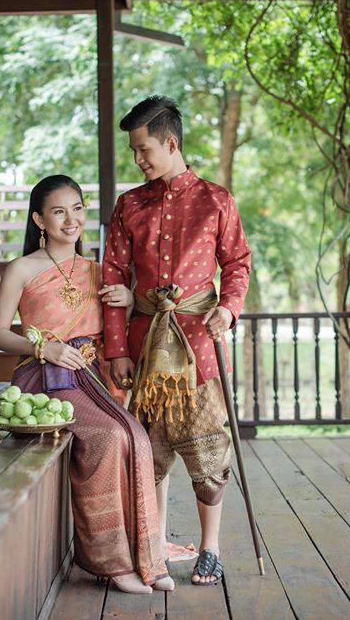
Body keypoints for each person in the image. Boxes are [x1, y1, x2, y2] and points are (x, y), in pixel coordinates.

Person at [0, 175, 174, 594]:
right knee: (110, 435)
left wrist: (130, 300)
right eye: (58, 211)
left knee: (137, 436)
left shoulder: (98, 270)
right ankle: (110, 562)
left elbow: (120, 325)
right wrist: (43, 349)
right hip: (46, 377)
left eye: (77, 208)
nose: (70, 219)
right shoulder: (21, 269)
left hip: (96, 377)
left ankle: (148, 557)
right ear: (39, 219)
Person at [102, 96, 252, 586]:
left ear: (171, 143)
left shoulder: (216, 200)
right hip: (144, 346)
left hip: (200, 346)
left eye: (144, 150)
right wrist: (117, 349)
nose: (139, 160)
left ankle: (210, 549)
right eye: (134, 152)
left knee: (209, 451)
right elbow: (111, 276)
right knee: (150, 450)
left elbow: (237, 263)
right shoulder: (128, 205)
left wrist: (228, 308)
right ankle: (155, 544)